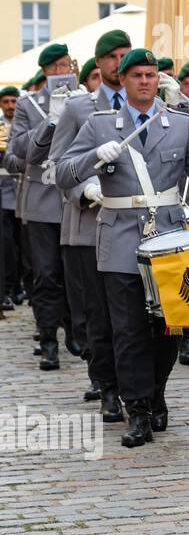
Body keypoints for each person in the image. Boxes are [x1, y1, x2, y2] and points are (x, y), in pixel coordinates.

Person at [55, 48, 189, 447]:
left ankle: (156, 391)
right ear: (124, 81)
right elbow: (62, 172)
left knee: (166, 329)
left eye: (150, 75)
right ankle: (139, 409)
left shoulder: (178, 124)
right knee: (126, 329)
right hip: (119, 237)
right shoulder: (99, 125)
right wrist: (94, 156)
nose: (145, 81)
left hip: (167, 237)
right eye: (137, 75)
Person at [45, 30, 130, 417]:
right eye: (111, 57)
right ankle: (107, 385)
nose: (118, 63)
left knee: (136, 316)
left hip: (136, 225)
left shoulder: (146, 102)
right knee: (98, 314)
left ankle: (141, 389)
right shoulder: (79, 108)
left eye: (125, 56)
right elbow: (59, 165)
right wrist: (85, 190)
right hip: (90, 225)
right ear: (98, 63)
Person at [10, 43, 77, 371]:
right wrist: (50, 121)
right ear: (46, 71)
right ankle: (49, 338)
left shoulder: (82, 102)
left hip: (75, 198)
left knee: (73, 273)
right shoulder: (28, 105)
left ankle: (75, 331)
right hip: (40, 201)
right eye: (58, 67)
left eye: (68, 66)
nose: (64, 72)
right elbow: (21, 151)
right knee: (46, 273)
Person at [1, 86, 23, 310]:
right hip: (4, 194)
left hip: (23, 195)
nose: (10, 106)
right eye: (6, 101)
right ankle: (8, 288)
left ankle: (18, 286)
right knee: (7, 246)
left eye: (13, 101)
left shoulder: (24, 125)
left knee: (22, 246)